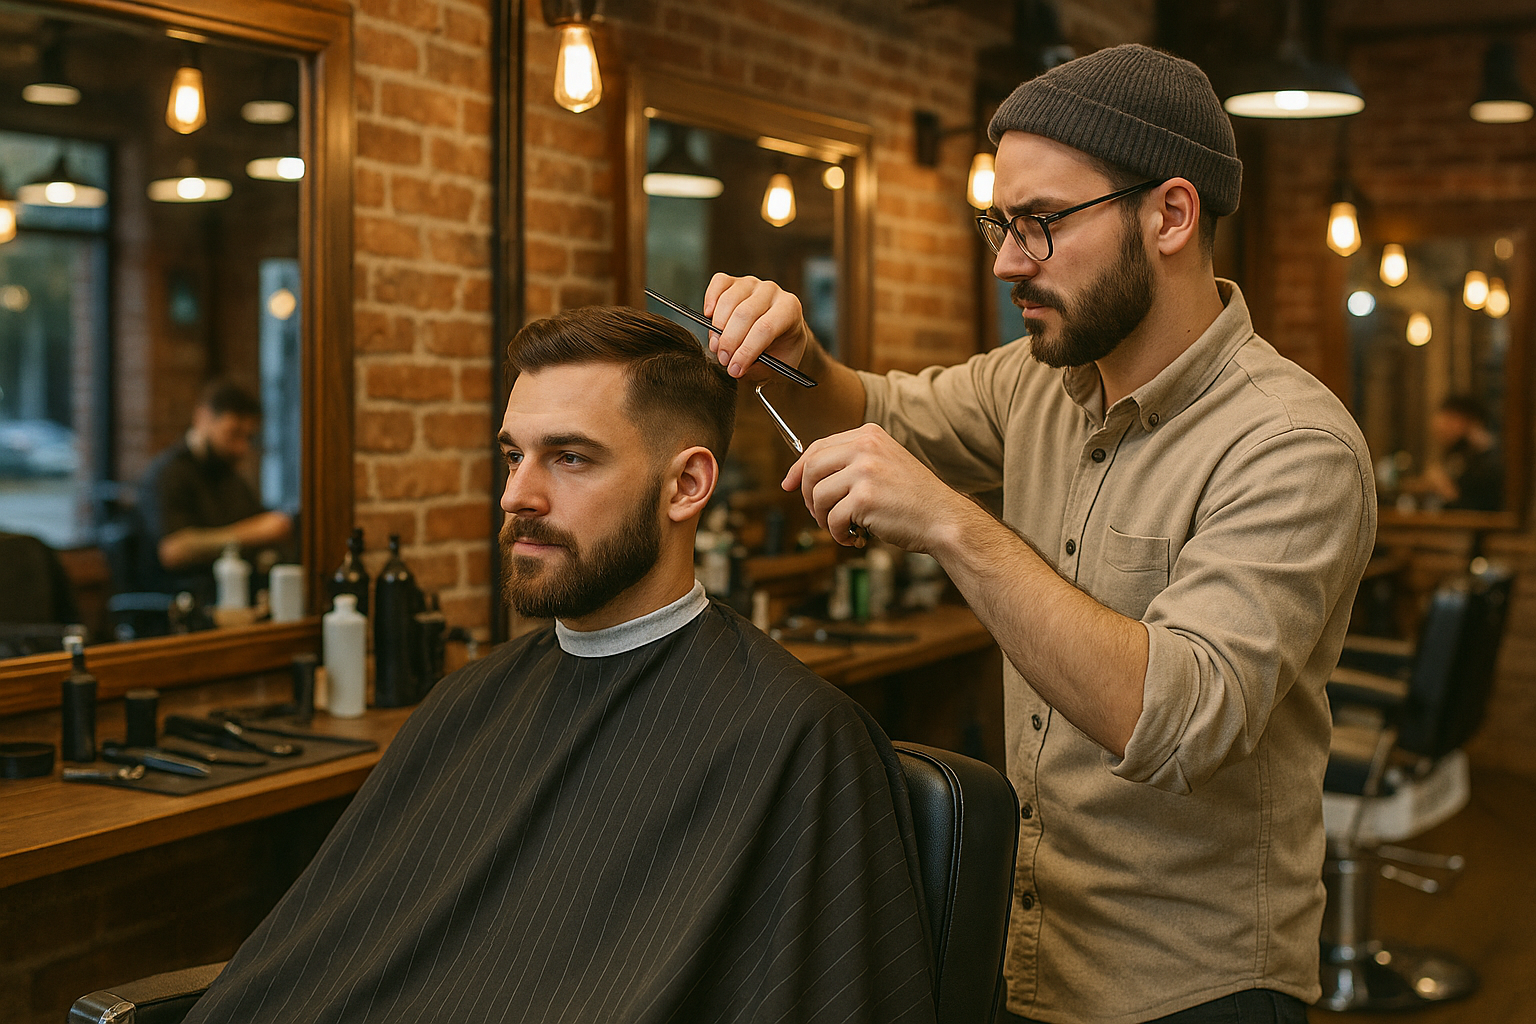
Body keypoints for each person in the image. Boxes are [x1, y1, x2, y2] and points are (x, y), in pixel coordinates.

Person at [703, 44, 1377, 1024]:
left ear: (1171, 213)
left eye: (1041, 224)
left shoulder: (1291, 445)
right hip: (1025, 957)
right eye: (999, 223)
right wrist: (794, 358)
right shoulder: (1042, 382)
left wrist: (950, 522)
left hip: (1193, 987)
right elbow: (866, 414)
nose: (1006, 260)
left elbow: (1175, 718)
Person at [182, 307, 937, 1024]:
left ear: (687, 485)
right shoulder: (466, 702)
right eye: (514, 455)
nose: (518, 495)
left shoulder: (796, 738)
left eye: (570, 458)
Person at [138, 378, 293, 598]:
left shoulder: (230, 477)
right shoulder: (169, 474)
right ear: (203, 417)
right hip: (183, 602)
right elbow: (173, 550)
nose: (242, 448)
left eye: (248, 437)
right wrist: (253, 533)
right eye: (234, 434)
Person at [1411, 394, 1503, 511]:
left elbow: (1478, 508)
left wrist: (1444, 488)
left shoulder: (1491, 460)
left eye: (1449, 421)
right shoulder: (1462, 454)